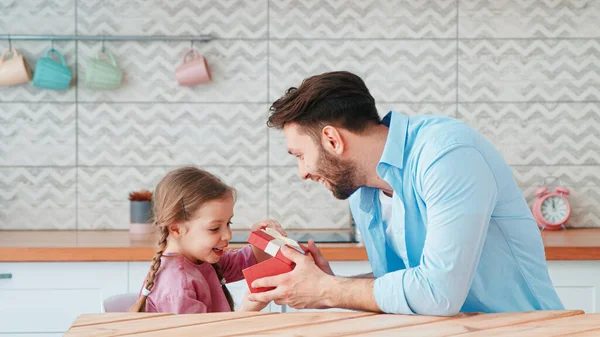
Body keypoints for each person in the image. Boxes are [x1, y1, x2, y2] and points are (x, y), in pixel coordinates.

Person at [247, 71, 564, 315]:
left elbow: (438, 293)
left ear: (332, 140)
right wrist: (330, 283)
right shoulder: (363, 190)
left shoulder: (447, 155)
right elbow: (407, 281)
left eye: (300, 155)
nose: (303, 172)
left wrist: (329, 290)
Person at [130, 166, 285, 313]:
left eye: (228, 223)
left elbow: (243, 262)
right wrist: (246, 311)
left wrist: (261, 240)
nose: (228, 235)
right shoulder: (178, 285)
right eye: (215, 228)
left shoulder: (201, 259)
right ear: (176, 228)